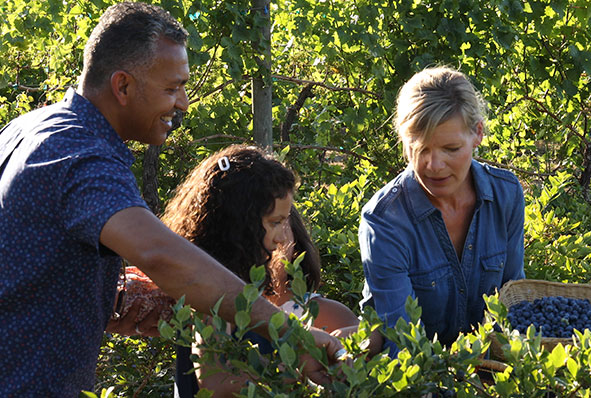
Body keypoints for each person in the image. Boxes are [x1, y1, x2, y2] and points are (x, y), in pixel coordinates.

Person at [0, 3, 341, 397]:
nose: (183, 103)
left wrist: (114, 298)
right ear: (123, 86)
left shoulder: (28, 129)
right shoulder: (81, 153)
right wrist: (289, 331)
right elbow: (158, 253)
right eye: (171, 88)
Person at [162, 145, 359, 398]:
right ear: (242, 223)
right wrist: (293, 369)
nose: (282, 237)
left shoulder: (241, 290)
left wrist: (350, 340)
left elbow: (375, 334)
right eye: (275, 223)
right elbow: (216, 383)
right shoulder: (210, 291)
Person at [359, 66, 525, 357]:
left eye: (450, 149)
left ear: (477, 134)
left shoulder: (505, 196)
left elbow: (512, 303)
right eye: (421, 149)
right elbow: (403, 342)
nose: (434, 165)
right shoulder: (385, 221)